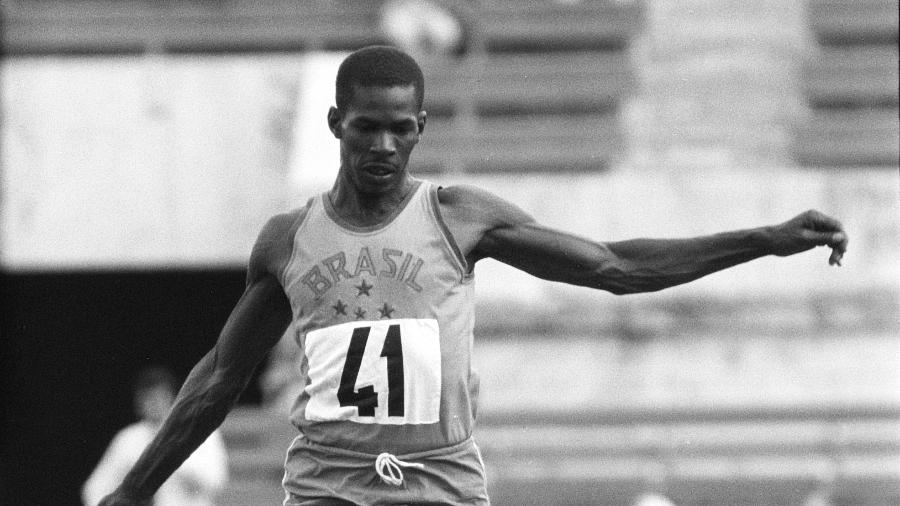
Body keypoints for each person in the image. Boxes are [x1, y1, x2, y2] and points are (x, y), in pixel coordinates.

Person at [98, 45, 848, 506]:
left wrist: (763, 238)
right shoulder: (288, 240)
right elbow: (220, 378)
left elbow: (616, 267)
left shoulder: (459, 218)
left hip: (440, 486)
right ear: (336, 125)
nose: (384, 144)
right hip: (326, 489)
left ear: (421, 128)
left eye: (401, 127)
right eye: (367, 126)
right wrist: (134, 490)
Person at [84, 367, 228, 506]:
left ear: (172, 397)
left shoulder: (197, 429)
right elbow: (94, 488)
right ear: (138, 402)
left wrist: (171, 456)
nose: (154, 403)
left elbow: (217, 481)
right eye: (147, 397)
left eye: (158, 396)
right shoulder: (128, 438)